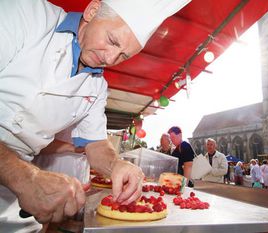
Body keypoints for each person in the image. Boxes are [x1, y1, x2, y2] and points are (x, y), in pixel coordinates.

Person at [0, 0, 191, 229]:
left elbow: (96, 144)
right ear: (92, 11)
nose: (110, 59)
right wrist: (24, 177)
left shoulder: (98, 87)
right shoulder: (24, 13)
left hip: (10, 190)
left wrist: (117, 165)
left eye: (122, 56)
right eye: (112, 41)